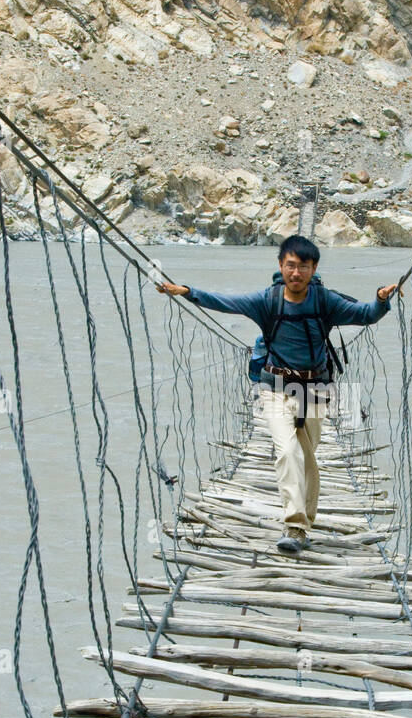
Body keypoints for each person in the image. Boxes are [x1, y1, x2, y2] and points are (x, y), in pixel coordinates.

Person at [157, 235, 399, 555]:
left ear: (313, 269)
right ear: (281, 266)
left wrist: (381, 300)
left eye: (303, 267)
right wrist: (188, 292)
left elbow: (366, 314)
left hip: (315, 387)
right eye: (290, 266)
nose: (296, 273)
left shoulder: (325, 301)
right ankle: (295, 526)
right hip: (276, 387)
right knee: (287, 451)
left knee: (308, 457)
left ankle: (305, 521)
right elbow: (225, 302)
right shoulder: (267, 300)